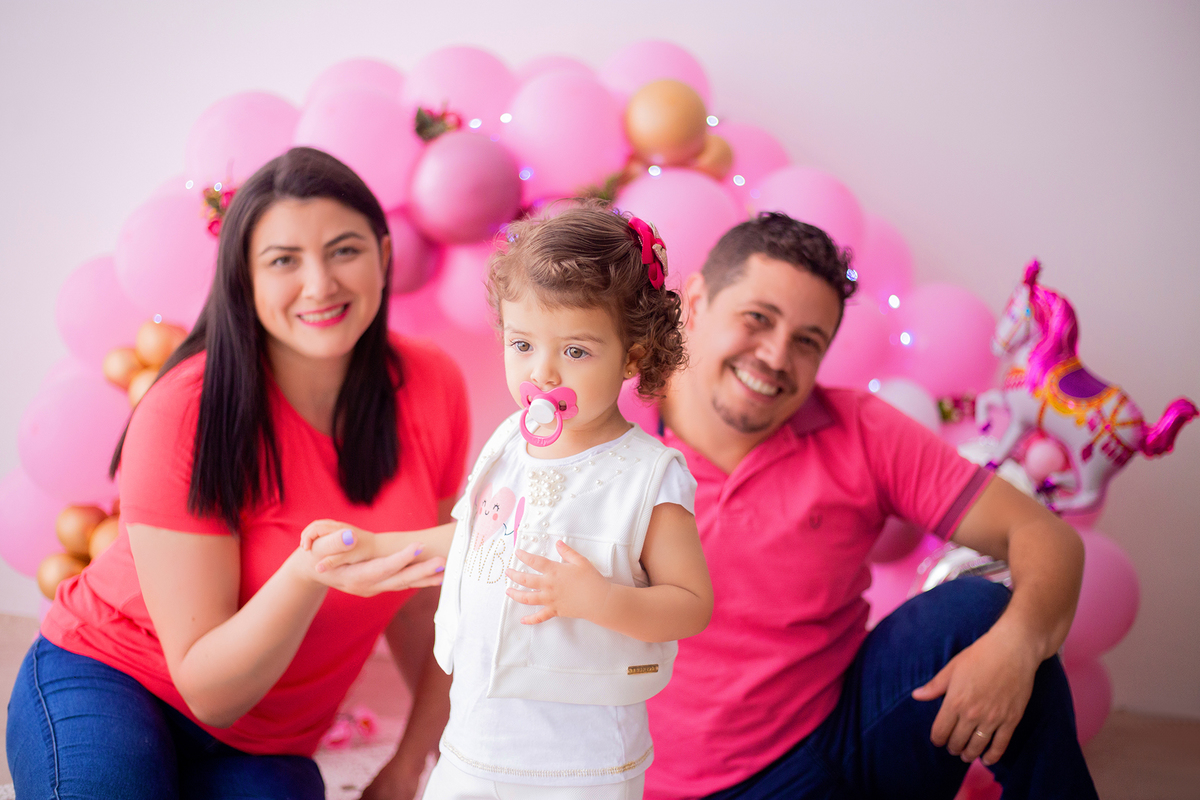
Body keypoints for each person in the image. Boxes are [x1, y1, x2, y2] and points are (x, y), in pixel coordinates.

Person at [6, 147, 466, 800]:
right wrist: (307, 574)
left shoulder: (430, 382)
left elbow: (426, 600)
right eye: (284, 260)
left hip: (267, 743)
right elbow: (210, 690)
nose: (320, 284)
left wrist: (414, 763)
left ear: (384, 257)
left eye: (344, 250)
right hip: (111, 677)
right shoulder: (185, 407)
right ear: (243, 278)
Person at [642, 212, 1099, 799]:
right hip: (653, 783)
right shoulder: (610, 429)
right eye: (758, 319)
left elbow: (1047, 539)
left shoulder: (860, 430)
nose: (776, 357)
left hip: (830, 750)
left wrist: (1019, 644)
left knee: (977, 614)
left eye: (807, 342)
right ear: (698, 301)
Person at [302, 205, 715, 799]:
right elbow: (475, 536)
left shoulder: (646, 476)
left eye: (575, 351)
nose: (542, 372)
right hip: (475, 744)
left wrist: (599, 599)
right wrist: (382, 543)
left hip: (583, 762)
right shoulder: (508, 446)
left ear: (632, 356)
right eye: (522, 344)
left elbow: (690, 604)